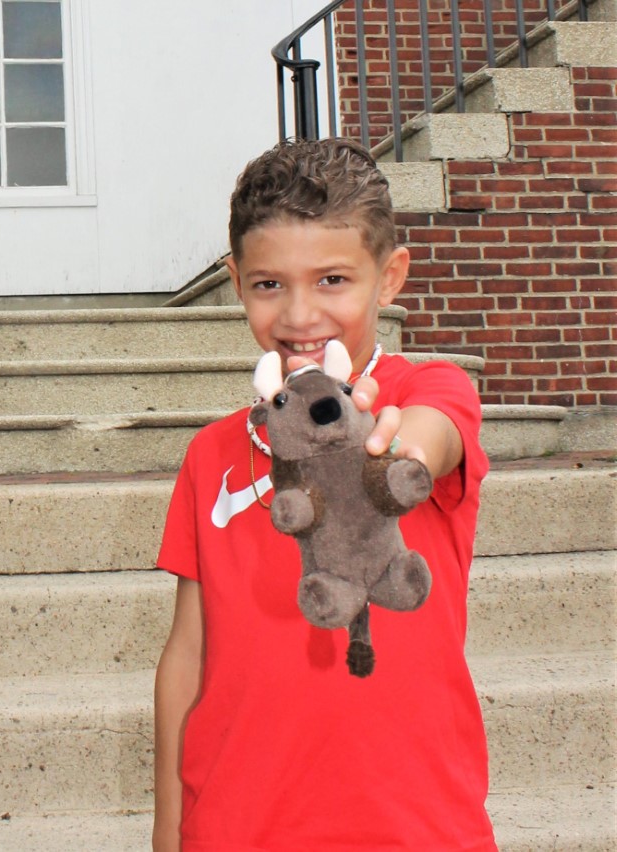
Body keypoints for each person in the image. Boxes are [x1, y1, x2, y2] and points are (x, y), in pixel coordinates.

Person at [152, 138, 496, 851]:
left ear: (389, 277)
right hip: (236, 825)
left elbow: (426, 439)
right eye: (269, 284)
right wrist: (169, 829)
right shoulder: (209, 454)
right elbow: (188, 652)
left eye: (333, 279)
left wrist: (394, 449)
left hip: (416, 824)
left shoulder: (424, 392)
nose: (300, 316)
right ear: (236, 280)